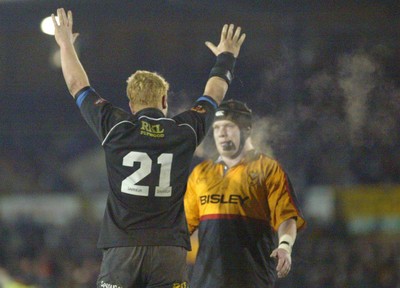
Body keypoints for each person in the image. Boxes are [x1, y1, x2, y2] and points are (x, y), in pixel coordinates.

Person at [51, 8, 246, 288]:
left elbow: (76, 84)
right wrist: (226, 57)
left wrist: (65, 44)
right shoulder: (185, 130)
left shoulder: (116, 127)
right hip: (169, 252)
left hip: (122, 250)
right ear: (165, 101)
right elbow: (214, 94)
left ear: (131, 105)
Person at [184, 99, 306, 288]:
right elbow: (184, 226)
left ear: (246, 130)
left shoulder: (268, 169)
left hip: (251, 280)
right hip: (205, 282)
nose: (221, 133)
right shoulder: (201, 173)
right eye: (216, 128)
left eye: (228, 127)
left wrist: (285, 246)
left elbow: (287, 217)